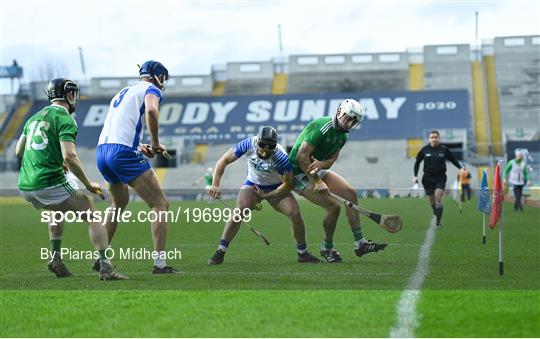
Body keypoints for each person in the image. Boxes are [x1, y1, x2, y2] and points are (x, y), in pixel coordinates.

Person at [15, 78, 127, 280]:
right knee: (91, 212)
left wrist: (50, 160)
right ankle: (106, 267)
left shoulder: (33, 118)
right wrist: (88, 184)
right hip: (47, 182)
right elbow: (70, 156)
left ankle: (56, 258)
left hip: (25, 185)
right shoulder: (66, 119)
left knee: (56, 211)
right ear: (69, 94)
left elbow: (18, 151)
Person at [95, 60, 177, 274]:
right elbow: (151, 112)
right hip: (122, 153)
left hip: (103, 152)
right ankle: (159, 265)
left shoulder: (124, 91)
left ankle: (101, 258)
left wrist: (139, 147)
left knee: (117, 204)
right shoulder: (151, 89)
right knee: (160, 204)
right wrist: (157, 143)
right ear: (158, 76)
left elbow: (118, 128)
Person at [288, 99, 387, 263]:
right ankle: (327, 249)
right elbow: (301, 156)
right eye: (348, 117)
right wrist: (317, 181)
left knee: (350, 193)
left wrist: (322, 164)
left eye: (354, 121)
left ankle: (360, 243)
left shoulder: (343, 136)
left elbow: (331, 160)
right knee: (333, 207)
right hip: (296, 173)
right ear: (339, 111)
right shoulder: (321, 126)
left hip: (314, 169)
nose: (349, 123)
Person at [207, 126, 320, 265]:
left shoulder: (280, 157)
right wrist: (215, 184)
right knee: (239, 212)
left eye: (269, 148)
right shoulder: (248, 143)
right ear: (258, 141)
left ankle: (303, 254)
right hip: (253, 184)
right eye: (262, 146)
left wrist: (268, 195)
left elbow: (288, 185)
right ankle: (220, 251)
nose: (265, 151)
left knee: (295, 213)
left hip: (277, 187)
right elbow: (223, 161)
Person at [413, 130, 463, 228]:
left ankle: (438, 222)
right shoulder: (424, 150)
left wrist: (461, 168)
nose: (434, 139)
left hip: (440, 178)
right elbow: (417, 163)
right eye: (432, 137)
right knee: (432, 202)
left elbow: (453, 159)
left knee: (438, 197)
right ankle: (436, 212)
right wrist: (415, 176)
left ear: (439, 138)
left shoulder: (444, 149)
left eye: (436, 137)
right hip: (427, 178)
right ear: (429, 139)